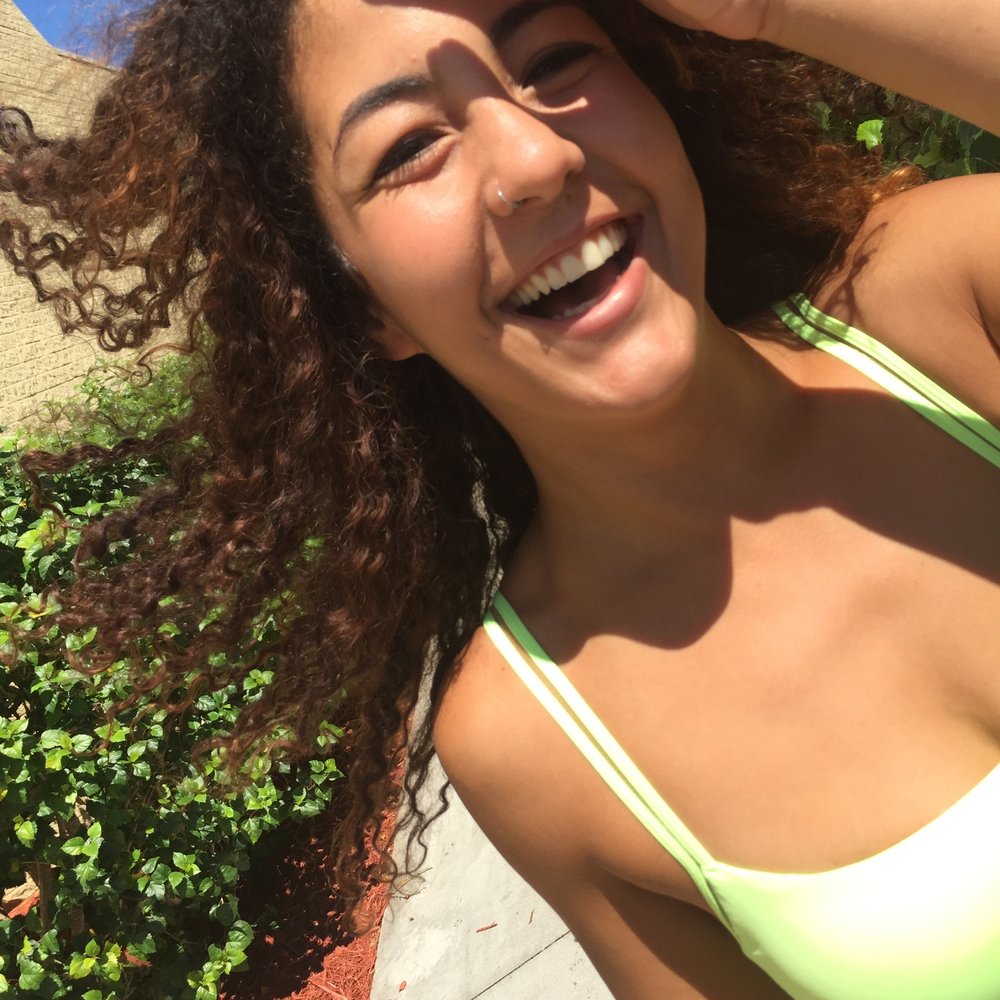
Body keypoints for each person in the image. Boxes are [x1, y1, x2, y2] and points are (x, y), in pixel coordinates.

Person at [2, 0, 998, 996]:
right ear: (368, 306)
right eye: (408, 148)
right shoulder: (532, 743)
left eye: (558, 59)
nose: (536, 157)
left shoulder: (947, 299)